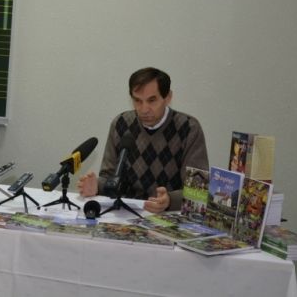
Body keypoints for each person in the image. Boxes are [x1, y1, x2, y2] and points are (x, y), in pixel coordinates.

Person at [77, 67, 209, 213]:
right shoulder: (121, 124)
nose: (144, 109)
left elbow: (198, 192)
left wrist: (170, 200)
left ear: (168, 97)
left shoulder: (189, 128)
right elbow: (109, 178)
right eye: (137, 101)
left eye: (152, 100)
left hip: (167, 216)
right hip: (125, 214)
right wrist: (96, 186)